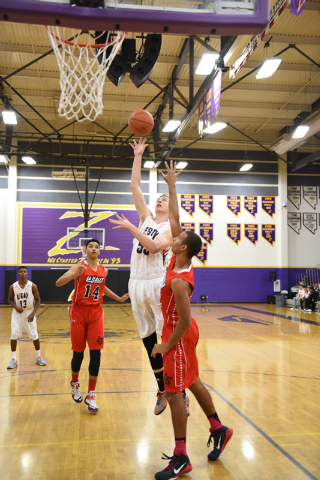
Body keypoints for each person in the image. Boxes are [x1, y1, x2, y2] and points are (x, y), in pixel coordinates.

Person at [151, 161, 233, 480]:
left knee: (174, 393)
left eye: (178, 236)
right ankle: (219, 428)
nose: (173, 234)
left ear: (182, 248)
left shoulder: (179, 281)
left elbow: (183, 324)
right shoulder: (177, 256)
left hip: (179, 336)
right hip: (182, 332)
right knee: (193, 382)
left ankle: (182, 457)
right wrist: (172, 185)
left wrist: (164, 346)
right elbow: (175, 218)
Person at [109, 138, 189, 416]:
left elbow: (155, 247)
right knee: (146, 337)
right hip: (136, 281)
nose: (159, 200)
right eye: (158, 198)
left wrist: (131, 228)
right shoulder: (145, 217)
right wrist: (138, 155)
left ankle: (180, 388)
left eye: (164, 198)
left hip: (156, 281)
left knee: (166, 334)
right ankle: (161, 389)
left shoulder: (171, 228)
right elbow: (134, 186)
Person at [56, 238, 129, 413]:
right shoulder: (80, 266)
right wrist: (75, 275)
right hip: (78, 312)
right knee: (78, 353)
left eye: (97, 247)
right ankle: (74, 383)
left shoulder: (104, 269)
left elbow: (102, 288)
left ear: (100, 251)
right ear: (86, 250)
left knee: (96, 353)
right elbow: (59, 282)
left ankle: (91, 394)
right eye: (91, 246)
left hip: (96, 313)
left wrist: (118, 298)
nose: (94, 249)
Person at [7, 266, 46, 369]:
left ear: (27, 274)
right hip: (17, 313)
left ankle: (38, 357)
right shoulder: (13, 287)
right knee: (13, 335)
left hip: (29, 311)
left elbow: (38, 300)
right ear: (18, 274)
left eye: (24, 271)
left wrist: (33, 312)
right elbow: (9, 299)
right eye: (21, 272)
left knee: (34, 335)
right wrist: (15, 307)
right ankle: (13, 359)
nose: (23, 273)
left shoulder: (32, 286)